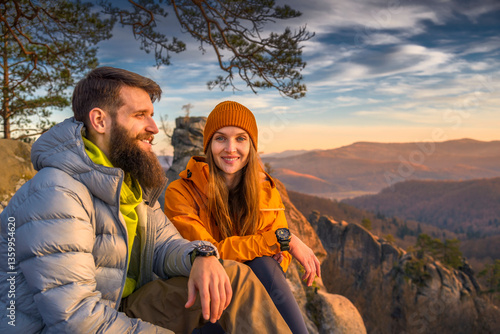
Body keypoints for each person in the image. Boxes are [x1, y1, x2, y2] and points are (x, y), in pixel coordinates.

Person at [0, 67, 293, 334]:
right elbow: (78, 321)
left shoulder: (127, 182)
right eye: (140, 115)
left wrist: (200, 256)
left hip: (120, 308)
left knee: (231, 279)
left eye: (151, 115)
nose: (153, 127)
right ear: (100, 120)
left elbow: (165, 245)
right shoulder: (56, 195)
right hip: (74, 326)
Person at [164, 101, 321, 334]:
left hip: (252, 295)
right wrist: (280, 240)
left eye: (240, 138)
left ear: (251, 145)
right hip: (203, 305)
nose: (230, 148)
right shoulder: (180, 191)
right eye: (220, 138)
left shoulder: (265, 190)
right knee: (259, 263)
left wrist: (276, 248)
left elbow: (278, 261)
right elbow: (209, 252)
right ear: (208, 145)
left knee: (264, 265)